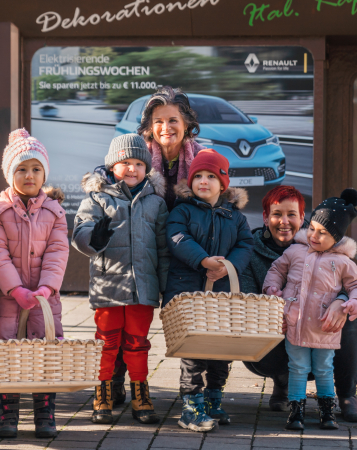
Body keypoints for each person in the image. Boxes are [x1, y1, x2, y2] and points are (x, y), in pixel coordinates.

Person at [104, 85, 205, 407]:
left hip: (185, 256)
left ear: (186, 123)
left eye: (173, 120)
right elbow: (108, 174)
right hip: (139, 254)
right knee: (125, 320)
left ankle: (194, 393)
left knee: (191, 323)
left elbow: (221, 189)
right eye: (159, 121)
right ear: (149, 126)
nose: (166, 128)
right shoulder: (136, 159)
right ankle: (117, 383)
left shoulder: (202, 159)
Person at [239, 186, 357, 422]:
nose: (284, 221)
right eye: (277, 214)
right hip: (270, 339)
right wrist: (272, 304)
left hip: (317, 332)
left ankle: (347, 396)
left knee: (349, 319)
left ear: (303, 218)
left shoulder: (326, 245)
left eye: (292, 215)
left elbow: (350, 284)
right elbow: (247, 296)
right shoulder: (249, 250)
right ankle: (283, 382)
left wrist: (342, 302)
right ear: (266, 217)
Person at [72, 133, 169, 425]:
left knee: (138, 342)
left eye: (139, 163)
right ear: (112, 165)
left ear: (147, 168)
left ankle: (140, 392)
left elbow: (163, 249)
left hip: (144, 289)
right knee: (107, 342)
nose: (132, 169)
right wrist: (93, 237)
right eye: (125, 162)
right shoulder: (97, 198)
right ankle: (102, 393)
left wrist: (165, 287)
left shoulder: (156, 204)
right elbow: (79, 233)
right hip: (109, 285)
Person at [0, 128, 69, 439]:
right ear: (9, 174)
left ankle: (45, 410)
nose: (29, 175)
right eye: (21, 169)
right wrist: (14, 289)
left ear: (44, 172)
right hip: (8, 299)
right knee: (7, 354)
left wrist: (47, 287)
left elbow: (58, 251)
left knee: (44, 353)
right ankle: (7, 411)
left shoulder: (54, 211)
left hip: (44, 299)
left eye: (35, 169)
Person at [163, 149, 253, 431]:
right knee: (194, 349)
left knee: (221, 349)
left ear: (223, 183)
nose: (203, 181)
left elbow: (245, 244)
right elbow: (177, 238)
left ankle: (215, 396)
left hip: (222, 293)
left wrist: (229, 267)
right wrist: (203, 260)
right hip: (188, 292)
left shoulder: (234, 216)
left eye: (211, 176)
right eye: (198, 175)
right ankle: (191, 404)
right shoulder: (182, 210)